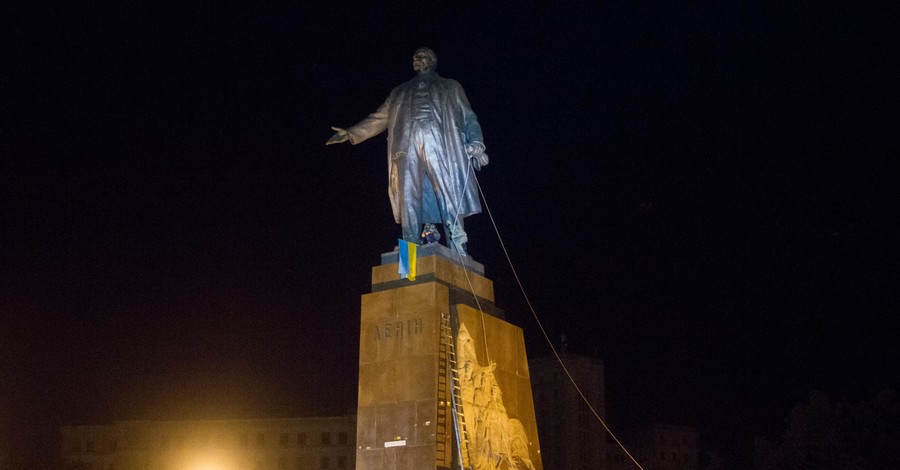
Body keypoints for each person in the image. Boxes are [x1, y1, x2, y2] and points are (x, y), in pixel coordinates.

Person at [326, 47, 489, 256]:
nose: (416, 60)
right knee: (408, 197)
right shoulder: (399, 92)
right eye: (414, 57)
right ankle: (409, 251)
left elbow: (469, 117)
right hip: (406, 148)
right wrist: (351, 133)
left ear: (432, 61)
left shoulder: (450, 86)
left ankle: (458, 248)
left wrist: (477, 142)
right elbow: (379, 118)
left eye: (421, 57)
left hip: (441, 146)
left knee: (448, 194)